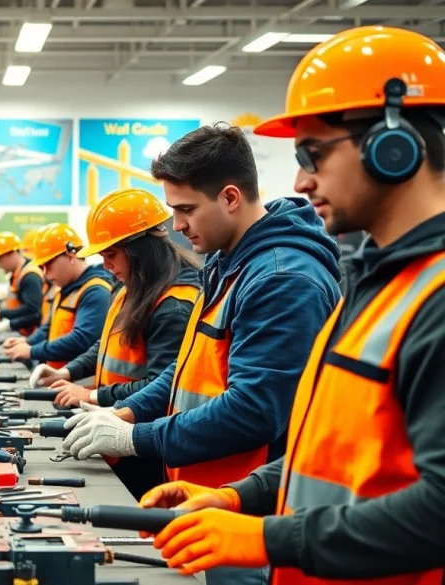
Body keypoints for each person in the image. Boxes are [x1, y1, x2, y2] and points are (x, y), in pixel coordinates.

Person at [137, 26, 445, 580]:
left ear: (393, 146)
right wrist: (238, 496)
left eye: (314, 154)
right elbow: (332, 454)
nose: (300, 180)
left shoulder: (434, 297)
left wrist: (266, 536)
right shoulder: (378, 284)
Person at [62, 124, 342, 585]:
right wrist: (126, 413)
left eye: (186, 209)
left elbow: (255, 410)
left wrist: (137, 439)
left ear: (230, 197)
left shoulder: (281, 279)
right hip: (208, 497)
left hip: (250, 519)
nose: (176, 226)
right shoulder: (228, 265)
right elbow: (187, 367)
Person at [29, 189, 202, 500]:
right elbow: (105, 344)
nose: (106, 265)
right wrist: (67, 372)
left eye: (111, 254)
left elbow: (165, 385)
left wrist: (93, 395)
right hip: (114, 428)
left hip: (142, 447)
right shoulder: (130, 288)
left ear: (140, 250)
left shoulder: (174, 304)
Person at [3, 223, 114, 368]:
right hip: (60, 376)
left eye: (48, 265)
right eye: (42, 267)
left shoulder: (96, 291)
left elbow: (81, 339)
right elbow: (48, 327)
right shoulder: (66, 289)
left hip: (81, 379)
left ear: (70, 256)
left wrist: (32, 351)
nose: (45, 274)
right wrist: (27, 342)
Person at [0, 231, 44, 336]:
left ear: (12, 253)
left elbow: (33, 311)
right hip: (24, 334)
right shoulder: (17, 274)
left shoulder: (30, 276)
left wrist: (1, 315)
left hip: (33, 336)